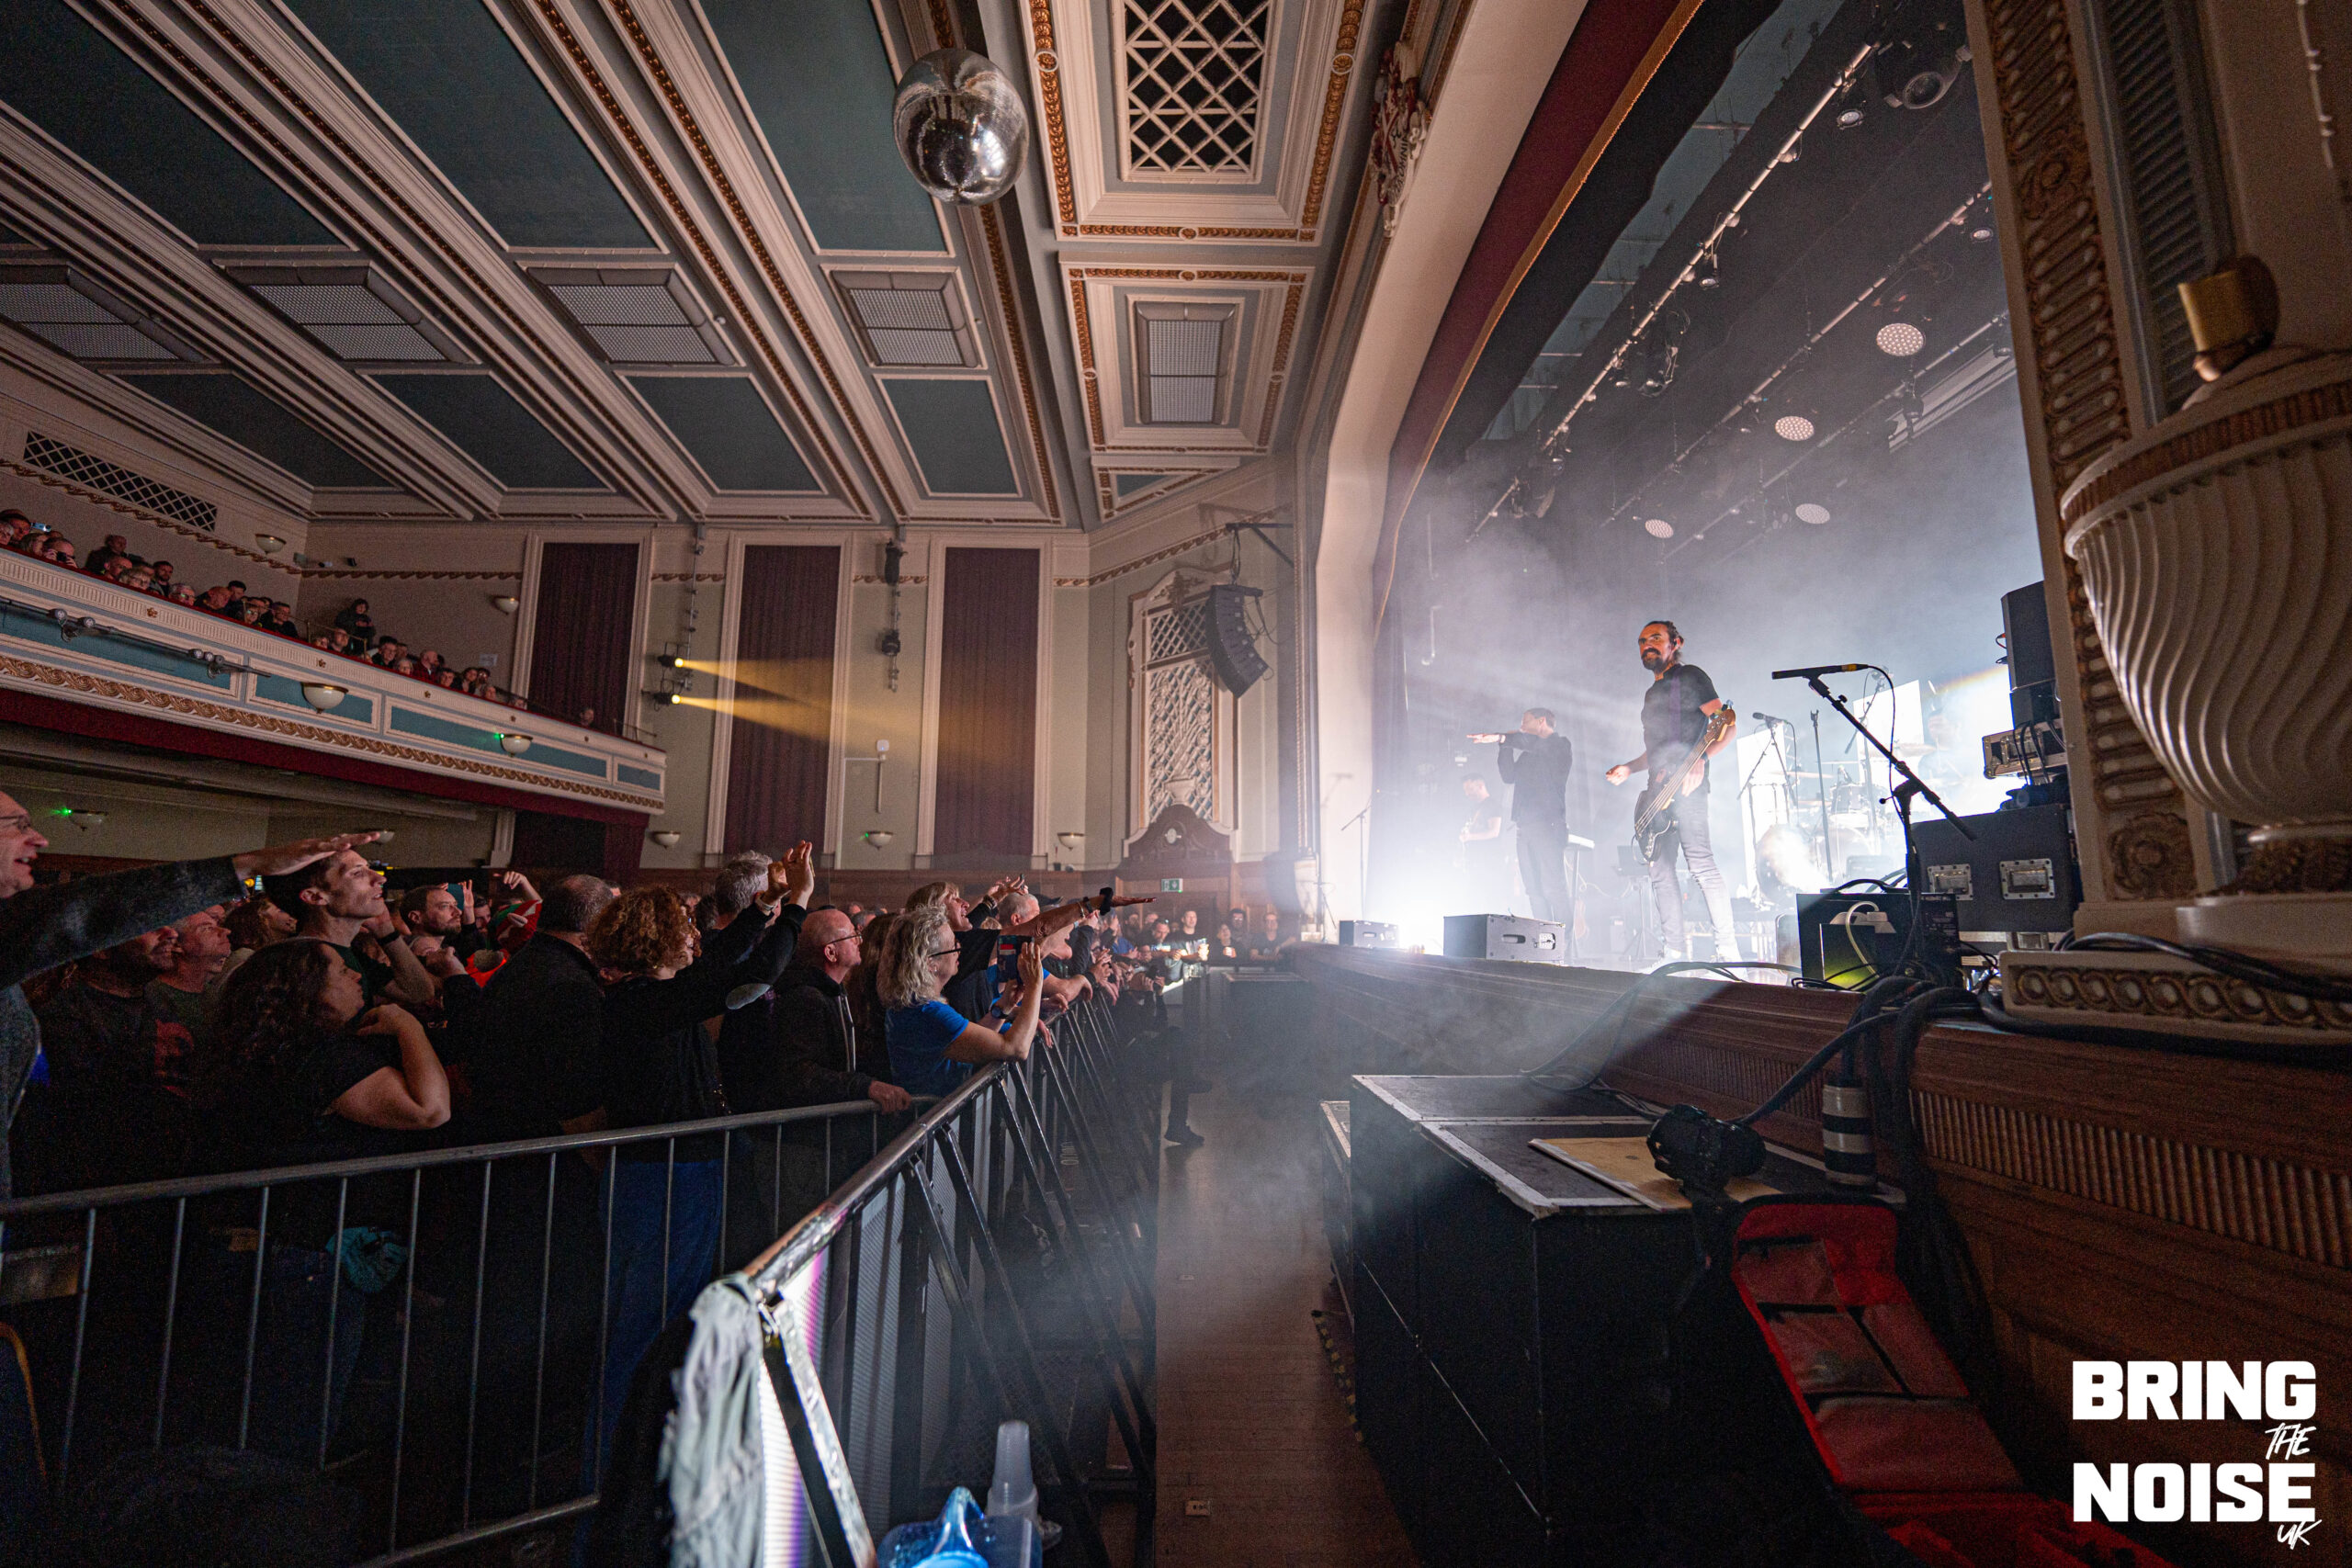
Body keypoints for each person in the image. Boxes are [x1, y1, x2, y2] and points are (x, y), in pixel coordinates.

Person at [0, 795, 379, 1196]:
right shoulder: (71, 1012)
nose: (39, 838)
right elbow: (86, 910)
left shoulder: (152, 1003)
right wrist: (246, 866)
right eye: (17, 825)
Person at [584, 848, 813, 1483]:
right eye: (684, 927)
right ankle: (615, 1480)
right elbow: (741, 974)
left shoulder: (654, 996)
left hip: (672, 1174)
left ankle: (650, 1465)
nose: (696, 934)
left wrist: (766, 904)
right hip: (663, 1180)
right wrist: (796, 907)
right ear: (658, 940)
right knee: (645, 1334)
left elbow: (717, 962)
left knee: (664, 1327)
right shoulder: (642, 1003)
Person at [197, 940, 448, 1461]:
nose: (356, 977)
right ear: (307, 992)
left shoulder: (262, 1050)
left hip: (265, 1244)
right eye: (340, 972)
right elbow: (429, 1109)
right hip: (306, 1255)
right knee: (294, 1421)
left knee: (252, 1411)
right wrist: (409, 1027)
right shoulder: (324, 1058)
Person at [718, 908, 911, 1266]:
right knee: (801, 1249)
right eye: (851, 934)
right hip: (801, 1148)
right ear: (830, 952)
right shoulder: (804, 998)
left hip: (821, 1142)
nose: (859, 938)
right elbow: (800, 1074)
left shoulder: (830, 992)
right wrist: (865, 1086)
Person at [1606, 619, 1740, 962]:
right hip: (1656, 791)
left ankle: (1728, 951)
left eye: (1655, 638)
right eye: (1641, 641)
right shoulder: (1651, 694)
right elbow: (1656, 751)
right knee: (1660, 872)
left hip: (1688, 788)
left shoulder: (1690, 677)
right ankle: (1674, 953)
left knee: (1701, 865)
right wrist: (1629, 767)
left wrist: (1701, 759)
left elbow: (1727, 724)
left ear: (1675, 643)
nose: (1647, 645)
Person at [876, 904, 1046, 1099]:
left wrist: (1005, 1005)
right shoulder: (926, 1013)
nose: (960, 949)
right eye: (953, 945)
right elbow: (1016, 1048)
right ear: (931, 963)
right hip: (938, 1112)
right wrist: (1034, 985)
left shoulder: (915, 1003)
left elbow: (973, 1042)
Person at [263, 848, 441, 1009]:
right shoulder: (301, 963)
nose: (381, 878)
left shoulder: (347, 953)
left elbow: (419, 992)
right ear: (315, 897)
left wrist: (386, 932)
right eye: (357, 873)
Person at [1472, 708, 1575, 924]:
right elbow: (1509, 776)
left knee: (1554, 887)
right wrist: (1505, 746)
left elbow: (1536, 744)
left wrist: (1504, 737)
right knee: (1534, 891)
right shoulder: (1528, 754)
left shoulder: (1559, 745)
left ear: (1541, 721)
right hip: (1524, 827)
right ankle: (1545, 939)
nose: (1521, 727)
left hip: (1548, 825)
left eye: (1525, 722)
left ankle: (1564, 941)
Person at [1458, 775, 1509, 909]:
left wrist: (1470, 837)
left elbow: (1494, 832)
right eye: (1465, 790)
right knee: (1473, 900)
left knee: (1491, 899)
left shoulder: (1492, 805)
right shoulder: (1475, 809)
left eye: (1470, 789)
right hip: (1476, 863)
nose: (1467, 793)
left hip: (1490, 863)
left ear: (1480, 786)